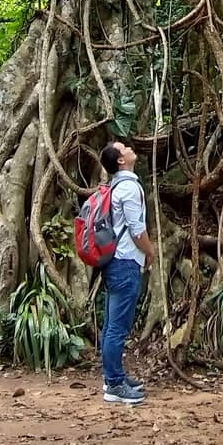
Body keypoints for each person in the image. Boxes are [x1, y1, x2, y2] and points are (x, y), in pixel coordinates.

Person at [99, 140, 155, 405]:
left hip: (114, 262)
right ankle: (114, 385)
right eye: (124, 148)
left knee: (112, 325)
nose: (130, 148)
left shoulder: (115, 186)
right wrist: (150, 252)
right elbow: (136, 230)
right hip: (125, 262)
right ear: (121, 160)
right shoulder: (129, 188)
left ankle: (114, 377)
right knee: (117, 328)